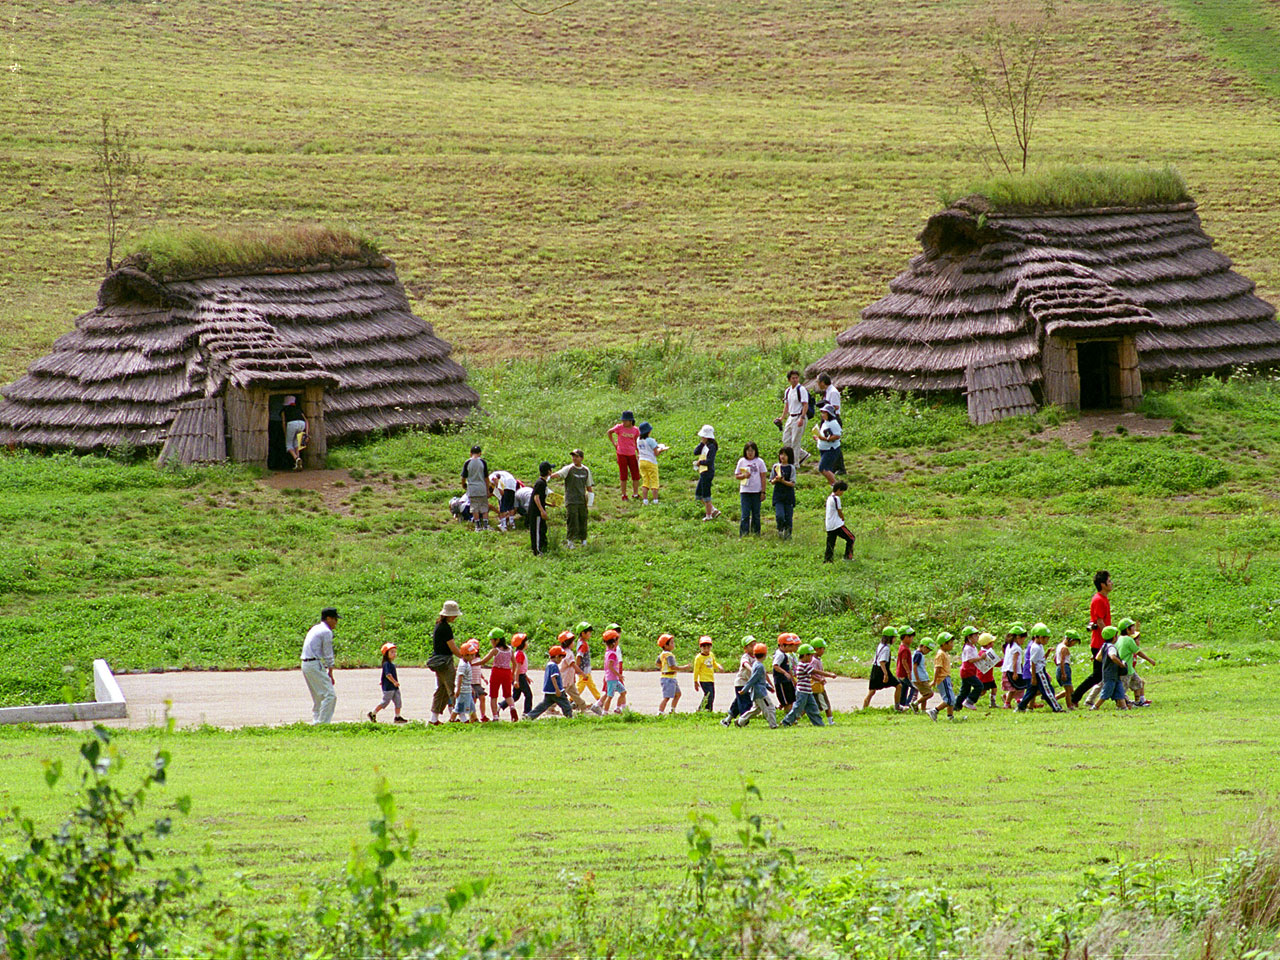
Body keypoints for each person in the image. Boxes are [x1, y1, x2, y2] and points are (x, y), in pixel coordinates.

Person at [1072, 570, 1113, 707]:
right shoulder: (1099, 600)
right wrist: (1109, 637)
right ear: (1102, 584)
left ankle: (1076, 697)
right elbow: (1100, 621)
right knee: (1098, 675)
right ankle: (1074, 697)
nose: (1111, 583)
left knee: (1101, 674)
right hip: (1100, 643)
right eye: (1109, 581)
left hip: (1102, 642)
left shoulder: (1103, 599)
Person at [300, 607, 339, 725]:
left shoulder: (315, 628)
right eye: (335, 619)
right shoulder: (326, 631)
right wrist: (330, 671)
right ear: (328, 618)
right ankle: (323, 724)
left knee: (318, 697)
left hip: (306, 663)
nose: (336, 622)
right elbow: (328, 653)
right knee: (330, 695)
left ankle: (316, 721)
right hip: (314, 663)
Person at [428, 600, 463, 725]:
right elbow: (452, 647)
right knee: (452, 689)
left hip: (438, 662)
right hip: (445, 661)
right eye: (454, 615)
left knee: (441, 689)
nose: (455, 617)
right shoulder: (446, 628)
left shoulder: (439, 625)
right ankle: (462, 716)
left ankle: (434, 718)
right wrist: (464, 657)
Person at [1018, 623, 1064, 712]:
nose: (1047, 641)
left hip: (1039, 670)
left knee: (1032, 691)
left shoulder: (1039, 646)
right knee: (1047, 690)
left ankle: (1021, 706)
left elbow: (1041, 659)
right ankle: (1056, 708)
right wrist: (1033, 677)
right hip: (1039, 672)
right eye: (1046, 638)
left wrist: (1048, 652)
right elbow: (1033, 662)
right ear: (1040, 637)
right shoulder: (1035, 647)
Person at [554, 449, 594, 547]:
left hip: (582, 500)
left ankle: (583, 540)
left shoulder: (586, 470)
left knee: (583, 520)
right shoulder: (569, 468)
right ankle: (570, 541)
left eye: (576, 456)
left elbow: (589, 486)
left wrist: (590, 501)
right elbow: (558, 474)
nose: (574, 458)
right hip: (571, 500)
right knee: (572, 520)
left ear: (582, 458)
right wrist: (548, 476)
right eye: (573, 456)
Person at [556, 631, 601, 716]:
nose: (574, 643)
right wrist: (582, 673)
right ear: (568, 643)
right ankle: (552, 708)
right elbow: (573, 665)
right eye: (572, 641)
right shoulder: (568, 654)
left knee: (575, 694)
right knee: (560, 695)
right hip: (565, 680)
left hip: (568, 679)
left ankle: (583, 707)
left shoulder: (563, 652)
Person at [735, 642, 778, 728]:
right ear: (765, 655)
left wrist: (768, 687)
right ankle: (773, 725)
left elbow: (760, 680)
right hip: (760, 693)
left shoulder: (755, 664)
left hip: (757, 692)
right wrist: (745, 689)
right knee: (769, 708)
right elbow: (753, 679)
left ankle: (740, 721)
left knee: (756, 710)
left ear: (754, 654)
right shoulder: (759, 666)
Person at [781, 644, 826, 727]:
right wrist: (829, 674)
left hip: (808, 691)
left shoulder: (804, 665)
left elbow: (812, 674)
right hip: (802, 691)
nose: (811, 658)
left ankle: (819, 724)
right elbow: (815, 671)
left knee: (813, 708)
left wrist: (820, 679)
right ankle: (786, 721)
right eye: (810, 655)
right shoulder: (803, 665)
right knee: (798, 708)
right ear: (805, 655)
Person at [525, 645, 573, 720]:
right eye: (561, 658)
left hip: (548, 690)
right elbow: (553, 678)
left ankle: (530, 716)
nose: (561, 660)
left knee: (543, 705)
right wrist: (557, 689)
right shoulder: (554, 666)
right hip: (556, 691)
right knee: (566, 704)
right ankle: (570, 717)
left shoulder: (549, 664)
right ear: (557, 656)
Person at [774, 370, 810, 467]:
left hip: (799, 415)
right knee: (786, 440)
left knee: (795, 441)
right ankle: (803, 455)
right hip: (791, 416)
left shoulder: (801, 389)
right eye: (793, 378)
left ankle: (795, 464)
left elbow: (805, 404)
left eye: (796, 378)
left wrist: (802, 418)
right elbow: (787, 406)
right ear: (789, 380)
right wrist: (782, 418)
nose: (795, 380)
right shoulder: (788, 391)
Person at [480, 629, 517, 722]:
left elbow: (484, 661)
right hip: (507, 672)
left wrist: (473, 663)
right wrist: (512, 674)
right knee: (508, 695)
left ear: (497, 640)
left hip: (496, 672)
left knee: (493, 695)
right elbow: (514, 663)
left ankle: (495, 716)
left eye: (492, 640)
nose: (491, 642)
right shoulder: (510, 650)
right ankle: (512, 708)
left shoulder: (495, 650)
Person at [1115, 619, 1154, 706]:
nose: (1134, 628)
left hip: (1130, 669)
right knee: (1123, 689)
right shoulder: (1128, 639)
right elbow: (1138, 652)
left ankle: (1138, 701)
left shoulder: (1118, 639)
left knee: (1138, 683)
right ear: (1127, 629)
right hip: (1125, 669)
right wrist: (1149, 660)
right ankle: (1121, 705)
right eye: (1132, 627)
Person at [734, 441, 768, 536]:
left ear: (755, 451)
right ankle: (744, 533)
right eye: (748, 451)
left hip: (756, 491)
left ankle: (756, 533)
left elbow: (763, 477)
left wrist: (763, 491)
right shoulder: (742, 461)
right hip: (745, 491)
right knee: (745, 514)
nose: (750, 453)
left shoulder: (759, 462)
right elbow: (737, 475)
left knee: (756, 514)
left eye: (752, 451)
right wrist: (744, 476)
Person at [722, 636, 758, 727]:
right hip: (741, 683)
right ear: (745, 649)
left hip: (748, 684)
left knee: (738, 703)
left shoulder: (756, 657)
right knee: (746, 703)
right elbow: (745, 664)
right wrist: (752, 670)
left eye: (755, 644)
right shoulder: (745, 657)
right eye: (751, 645)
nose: (754, 647)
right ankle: (743, 722)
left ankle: (727, 720)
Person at [606, 411, 642, 501]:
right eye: (623, 420)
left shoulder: (636, 430)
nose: (624, 422)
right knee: (623, 474)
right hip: (621, 453)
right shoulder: (619, 427)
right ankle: (624, 494)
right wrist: (614, 443)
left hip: (632, 453)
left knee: (635, 474)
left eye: (626, 420)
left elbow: (637, 441)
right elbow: (609, 432)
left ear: (630, 421)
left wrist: (638, 452)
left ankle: (635, 493)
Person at [1092, 626, 1129, 711]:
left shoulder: (1104, 645)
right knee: (1107, 691)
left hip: (1112, 673)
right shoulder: (1111, 647)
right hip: (1111, 674)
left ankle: (1124, 707)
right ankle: (1095, 706)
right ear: (1114, 637)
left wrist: (1106, 661)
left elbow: (1098, 658)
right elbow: (1113, 657)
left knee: (1120, 690)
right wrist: (1121, 664)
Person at [368, 642, 406, 724]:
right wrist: (394, 682)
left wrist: (383, 681)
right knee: (385, 702)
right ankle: (373, 713)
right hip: (389, 687)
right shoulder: (386, 664)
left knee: (398, 701)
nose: (394, 654)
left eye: (395, 652)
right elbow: (388, 675)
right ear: (386, 654)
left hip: (394, 687)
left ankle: (397, 717)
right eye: (392, 652)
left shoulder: (391, 664)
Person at [862, 626, 899, 709]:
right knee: (898, 686)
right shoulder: (886, 649)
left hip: (875, 669)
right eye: (894, 638)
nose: (895, 640)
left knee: (872, 691)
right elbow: (882, 662)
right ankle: (897, 706)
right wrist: (885, 674)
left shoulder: (880, 645)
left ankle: (864, 708)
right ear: (889, 638)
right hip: (881, 670)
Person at [497, 632, 532, 718]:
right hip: (519, 677)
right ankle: (527, 713)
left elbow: (520, 669)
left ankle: (501, 705)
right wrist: (516, 680)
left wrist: (526, 676)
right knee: (528, 695)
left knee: (515, 696)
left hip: (520, 676)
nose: (527, 643)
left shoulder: (518, 653)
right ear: (522, 644)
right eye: (526, 642)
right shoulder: (520, 654)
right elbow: (517, 668)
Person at [636, 422, 668, 505]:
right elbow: (656, 453)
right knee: (654, 481)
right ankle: (655, 500)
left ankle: (645, 500)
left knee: (645, 481)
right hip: (651, 462)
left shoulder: (638, 440)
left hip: (641, 461)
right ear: (649, 431)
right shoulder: (651, 440)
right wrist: (662, 449)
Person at [656, 634, 688, 715]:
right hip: (669, 678)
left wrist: (663, 667)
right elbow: (673, 667)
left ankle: (672, 711)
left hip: (669, 677)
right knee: (667, 697)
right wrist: (684, 667)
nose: (673, 644)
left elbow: (657, 664)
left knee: (678, 694)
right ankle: (660, 712)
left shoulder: (662, 654)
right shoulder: (669, 656)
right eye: (672, 643)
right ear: (666, 645)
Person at [769, 446, 797, 539]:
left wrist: (783, 481)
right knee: (779, 515)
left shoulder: (791, 468)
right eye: (781, 454)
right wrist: (776, 480)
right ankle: (780, 529)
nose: (782, 456)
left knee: (788, 516)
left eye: (785, 455)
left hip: (788, 496)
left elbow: (792, 483)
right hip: (778, 495)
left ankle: (788, 533)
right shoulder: (776, 467)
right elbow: (771, 481)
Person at [823, 481, 855, 562]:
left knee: (830, 543)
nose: (842, 493)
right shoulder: (836, 498)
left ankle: (828, 560)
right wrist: (842, 518)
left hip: (829, 525)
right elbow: (839, 511)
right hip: (837, 524)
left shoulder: (829, 498)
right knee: (851, 538)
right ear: (838, 490)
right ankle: (848, 557)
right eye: (842, 491)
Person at [460, 446, 491, 532]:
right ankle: (485, 526)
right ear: (480, 453)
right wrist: (487, 488)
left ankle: (477, 526)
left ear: (470, 453)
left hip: (472, 488)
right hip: (482, 488)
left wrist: (463, 485)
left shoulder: (467, 462)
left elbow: (463, 477)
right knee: (484, 507)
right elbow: (486, 477)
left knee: (474, 507)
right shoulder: (483, 462)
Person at [812, 405, 844, 486]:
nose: (822, 415)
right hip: (824, 448)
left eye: (824, 413)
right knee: (828, 469)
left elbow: (837, 436)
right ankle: (833, 485)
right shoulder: (825, 422)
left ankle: (836, 485)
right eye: (822, 413)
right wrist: (818, 438)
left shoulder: (833, 423)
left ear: (829, 414)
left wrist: (824, 439)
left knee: (822, 468)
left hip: (831, 449)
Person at [597, 629, 627, 714]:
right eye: (617, 640)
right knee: (610, 696)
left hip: (614, 679)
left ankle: (618, 708)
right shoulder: (612, 654)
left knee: (623, 692)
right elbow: (610, 666)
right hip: (612, 678)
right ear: (614, 642)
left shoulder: (608, 652)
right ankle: (605, 712)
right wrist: (619, 674)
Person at [693, 425, 720, 521]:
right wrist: (701, 444)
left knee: (706, 495)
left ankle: (709, 515)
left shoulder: (712, 447)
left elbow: (709, 461)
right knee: (699, 494)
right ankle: (713, 510)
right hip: (703, 472)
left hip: (707, 472)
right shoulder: (704, 445)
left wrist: (700, 462)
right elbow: (695, 452)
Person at [927, 633, 956, 720]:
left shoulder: (945, 654)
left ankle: (950, 716)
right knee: (949, 699)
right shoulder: (940, 654)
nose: (952, 645)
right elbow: (938, 668)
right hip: (943, 679)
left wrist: (949, 680)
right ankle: (934, 710)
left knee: (951, 697)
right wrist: (934, 680)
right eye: (950, 643)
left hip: (946, 678)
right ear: (944, 644)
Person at [692, 637, 725, 711]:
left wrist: (718, 666)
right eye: (704, 647)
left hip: (711, 679)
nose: (706, 649)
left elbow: (713, 663)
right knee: (708, 695)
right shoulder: (699, 658)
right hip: (704, 680)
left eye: (708, 647)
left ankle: (708, 710)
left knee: (712, 696)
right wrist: (695, 681)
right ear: (700, 647)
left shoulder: (711, 655)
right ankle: (702, 709)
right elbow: (696, 670)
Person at [955, 628, 984, 710]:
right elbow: (970, 660)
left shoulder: (973, 647)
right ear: (969, 637)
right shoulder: (968, 648)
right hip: (967, 671)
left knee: (965, 690)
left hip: (971, 671)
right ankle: (969, 701)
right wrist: (981, 658)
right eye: (975, 636)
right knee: (979, 686)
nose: (977, 637)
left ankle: (957, 706)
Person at [574, 622, 603, 702]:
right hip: (583, 670)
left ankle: (599, 699)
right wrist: (577, 667)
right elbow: (579, 656)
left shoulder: (580, 642)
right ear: (583, 633)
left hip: (585, 669)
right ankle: (572, 699)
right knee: (581, 685)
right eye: (589, 633)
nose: (590, 634)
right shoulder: (583, 644)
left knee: (591, 685)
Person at [1001, 626, 1028, 709]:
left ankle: (1016, 700)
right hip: (1013, 670)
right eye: (1023, 639)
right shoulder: (1016, 648)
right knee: (1014, 688)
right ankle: (1007, 703)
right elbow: (1015, 661)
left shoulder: (1009, 646)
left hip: (1008, 669)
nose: (1023, 641)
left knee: (1017, 687)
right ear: (1018, 637)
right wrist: (1015, 673)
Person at [810, 637, 835, 725]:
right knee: (825, 705)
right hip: (817, 686)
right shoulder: (813, 661)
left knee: (822, 704)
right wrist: (819, 679)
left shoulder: (817, 659)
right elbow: (811, 673)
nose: (823, 651)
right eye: (823, 649)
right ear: (817, 649)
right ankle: (830, 722)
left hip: (820, 686)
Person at [1055, 628, 1082, 710]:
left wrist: (1058, 667)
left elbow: (1055, 659)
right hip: (1064, 667)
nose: (1073, 644)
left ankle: (1054, 698)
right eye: (1074, 642)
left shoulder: (1059, 646)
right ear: (1070, 640)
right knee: (1068, 690)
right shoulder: (1064, 648)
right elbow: (1062, 661)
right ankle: (1070, 706)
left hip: (1060, 667)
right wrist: (1063, 673)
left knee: (1070, 690)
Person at [529, 461, 552, 556]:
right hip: (536, 512)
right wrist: (542, 511)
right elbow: (536, 497)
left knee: (542, 529)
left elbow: (541, 499)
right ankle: (537, 551)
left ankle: (542, 548)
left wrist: (549, 504)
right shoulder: (540, 483)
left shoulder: (543, 483)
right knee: (537, 531)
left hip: (539, 510)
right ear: (549, 471)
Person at [454, 641, 479, 723]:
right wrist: (458, 689)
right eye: (471, 655)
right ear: (465, 655)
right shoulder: (463, 665)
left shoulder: (467, 663)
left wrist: (471, 687)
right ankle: (452, 719)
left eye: (473, 654)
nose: (473, 656)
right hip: (463, 690)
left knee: (471, 706)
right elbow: (460, 677)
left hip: (467, 689)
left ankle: (474, 718)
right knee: (459, 707)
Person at [772, 634, 797, 711]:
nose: (791, 648)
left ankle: (790, 716)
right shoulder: (780, 655)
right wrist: (785, 673)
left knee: (791, 700)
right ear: (782, 645)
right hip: (781, 682)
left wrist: (793, 680)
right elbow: (775, 666)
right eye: (789, 646)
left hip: (787, 681)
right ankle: (787, 716)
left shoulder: (784, 654)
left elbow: (788, 668)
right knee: (787, 702)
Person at [281, 395, 307, 471]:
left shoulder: (284, 410)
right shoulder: (298, 409)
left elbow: (283, 422)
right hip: (302, 424)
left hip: (291, 424)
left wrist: (285, 433)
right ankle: (298, 462)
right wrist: (306, 433)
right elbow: (306, 420)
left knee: (288, 444)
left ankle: (296, 458)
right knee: (296, 442)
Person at [911, 637, 934, 715]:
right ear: (924, 647)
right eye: (928, 650)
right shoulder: (918, 654)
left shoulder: (918, 654)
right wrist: (917, 678)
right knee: (930, 694)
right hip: (920, 678)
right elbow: (914, 666)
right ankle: (915, 703)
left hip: (922, 677)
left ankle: (923, 710)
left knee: (925, 694)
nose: (928, 652)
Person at [895, 626, 916, 710]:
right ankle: (909, 704)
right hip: (904, 674)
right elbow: (904, 661)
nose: (912, 640)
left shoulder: (902, 647)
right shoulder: (905, 649)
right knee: (914, 687)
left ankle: (901, 705)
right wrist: (908, 672)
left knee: (904, 689)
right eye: (911, 638)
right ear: (906, 637)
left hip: (900, 673)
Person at [977, 632, 999, 707]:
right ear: (989, 644)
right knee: (982, 692)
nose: (993, 644)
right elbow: (996, 662)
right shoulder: (986, 653)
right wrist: (1004, 661)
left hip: (989, 676)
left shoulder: (983, 652)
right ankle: (969, 699)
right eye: (992, 642)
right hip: (984, 677)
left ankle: (993, 703)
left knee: (994, 688)